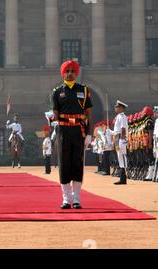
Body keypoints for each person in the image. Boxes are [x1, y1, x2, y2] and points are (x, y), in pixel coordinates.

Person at [52, 60, 93, 209]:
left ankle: (76, 199)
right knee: (64, 164)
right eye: (67, 70)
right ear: (63, 73)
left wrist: (89, 133)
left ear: (76, 73)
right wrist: (52, 118)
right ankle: (65, 199)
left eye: (72, 70)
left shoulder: (84, 90)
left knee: (77, 163)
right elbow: (55, 113)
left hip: (78, 130)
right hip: (63, 130)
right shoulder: (57, 92)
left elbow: (88, 113)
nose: (70, 73)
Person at [109, 100, 129, 185]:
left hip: (121, 138)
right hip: (117, 138)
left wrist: (123, 139)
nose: (115, 108)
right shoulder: (118, 117)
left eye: (116, 107)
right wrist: (110, 131)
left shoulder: (122, 117)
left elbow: (123, 128)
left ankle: (123, 178)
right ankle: (122, 178)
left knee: (122, 158)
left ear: (121, 108)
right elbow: (116, 131)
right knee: (120, 158)